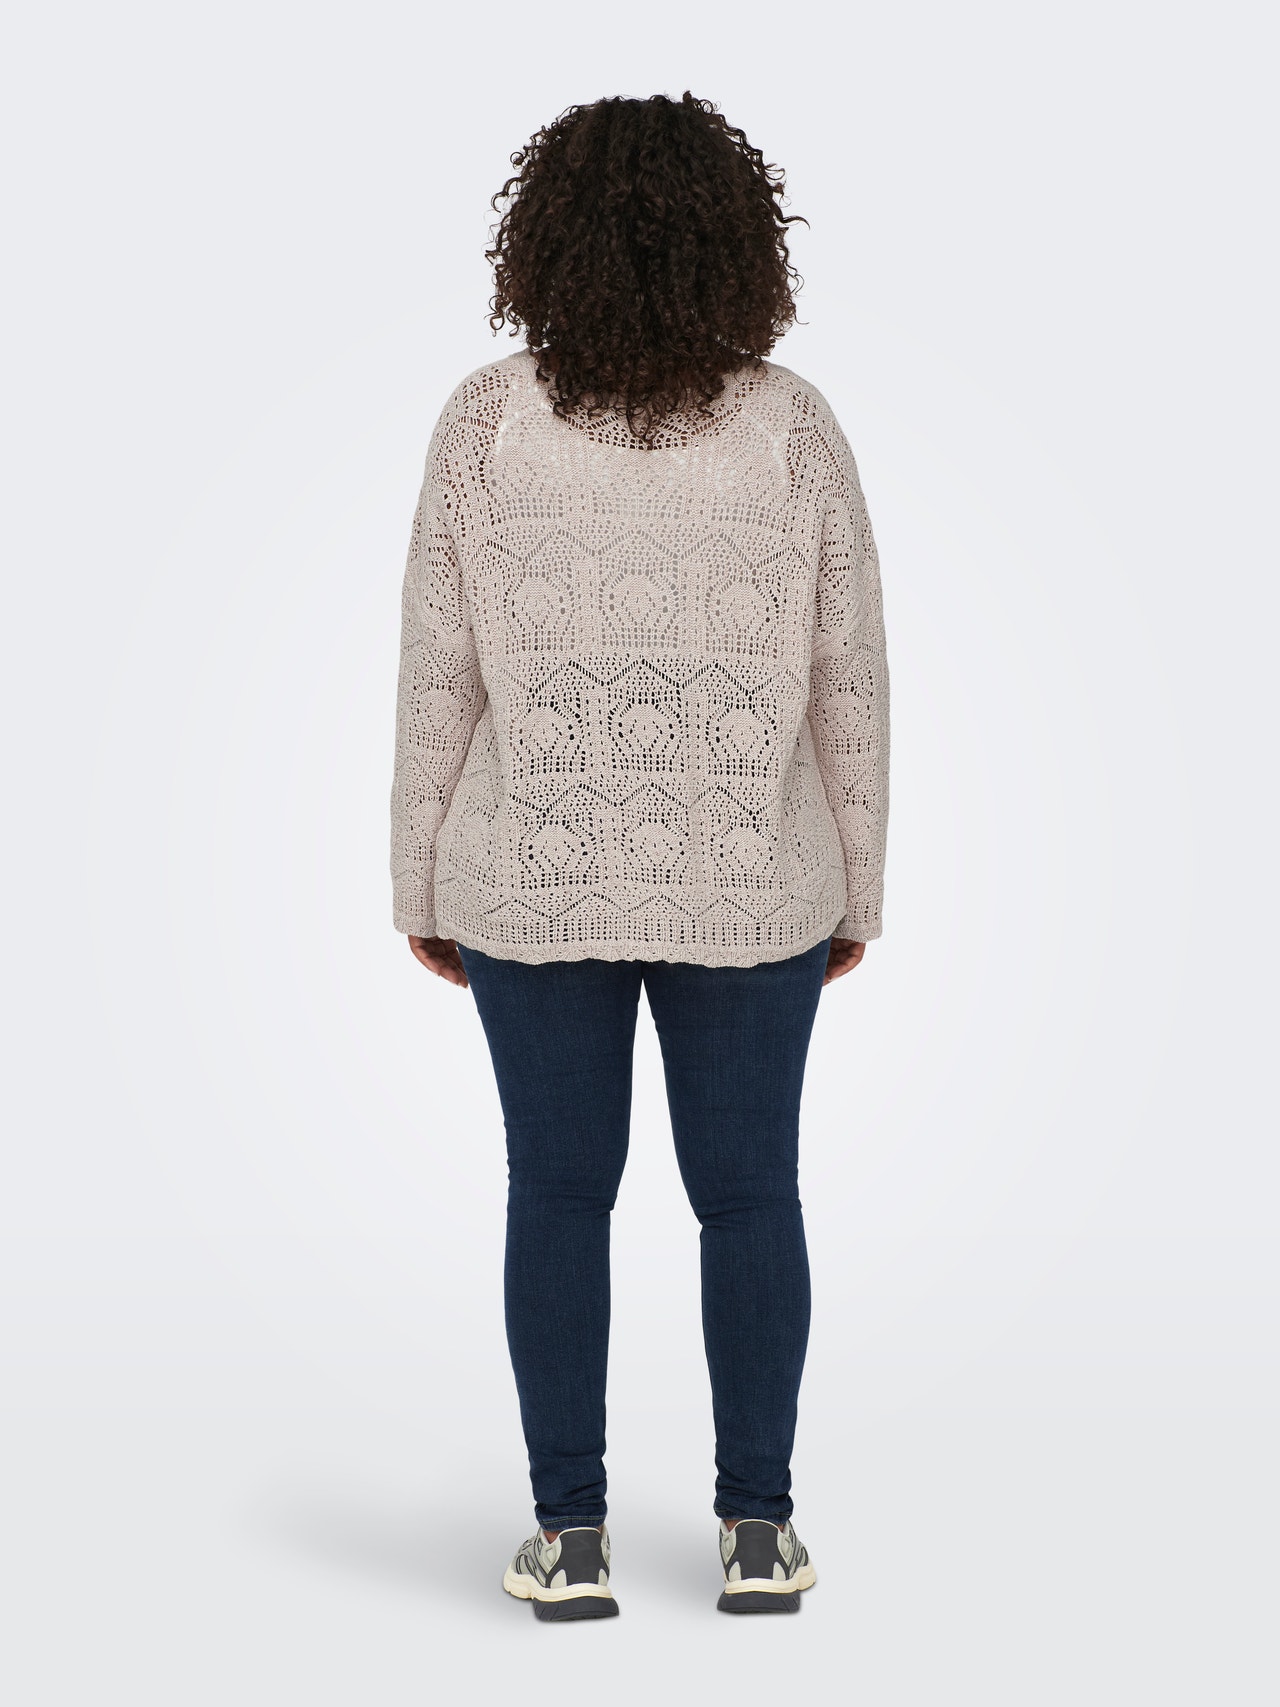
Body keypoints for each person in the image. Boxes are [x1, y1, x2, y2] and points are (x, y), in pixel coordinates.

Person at [389, 91, 890, 1620]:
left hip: (530, 872)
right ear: (740, 243)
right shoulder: (792, 428)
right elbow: (851, 678)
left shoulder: (486, 422)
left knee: (557, 1193)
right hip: (754, 879)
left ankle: (570, 1539)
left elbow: (436, 677)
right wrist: (858, 888)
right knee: (750, 1197)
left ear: (543, 243)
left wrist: (419, 884)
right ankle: (759, 1533)